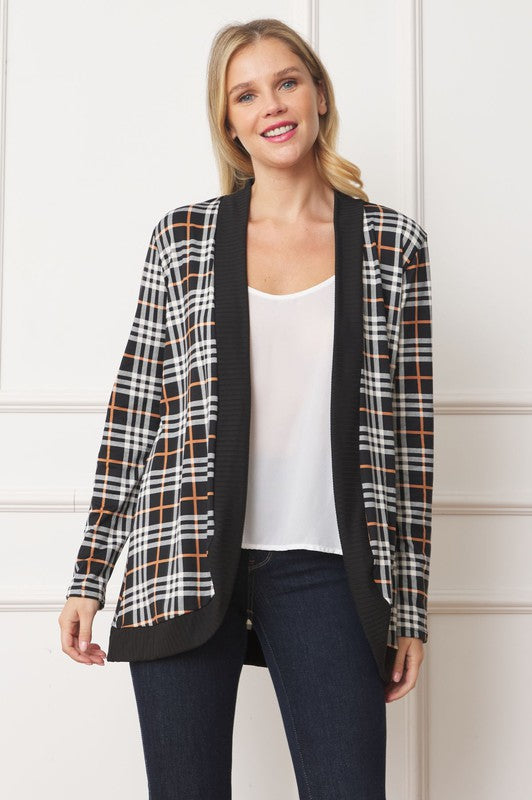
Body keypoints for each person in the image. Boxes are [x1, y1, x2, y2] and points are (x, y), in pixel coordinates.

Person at [58, 17, 434, 800]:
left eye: (287, 82)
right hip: (181, 557)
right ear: (229, 122)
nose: (273, 106)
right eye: (247, 94)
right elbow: (135, 410)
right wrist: (90, 575)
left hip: (329, 567)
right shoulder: (184, 239)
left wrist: (411, 608)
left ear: (319, 95)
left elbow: (410, 440)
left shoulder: (392, 246)